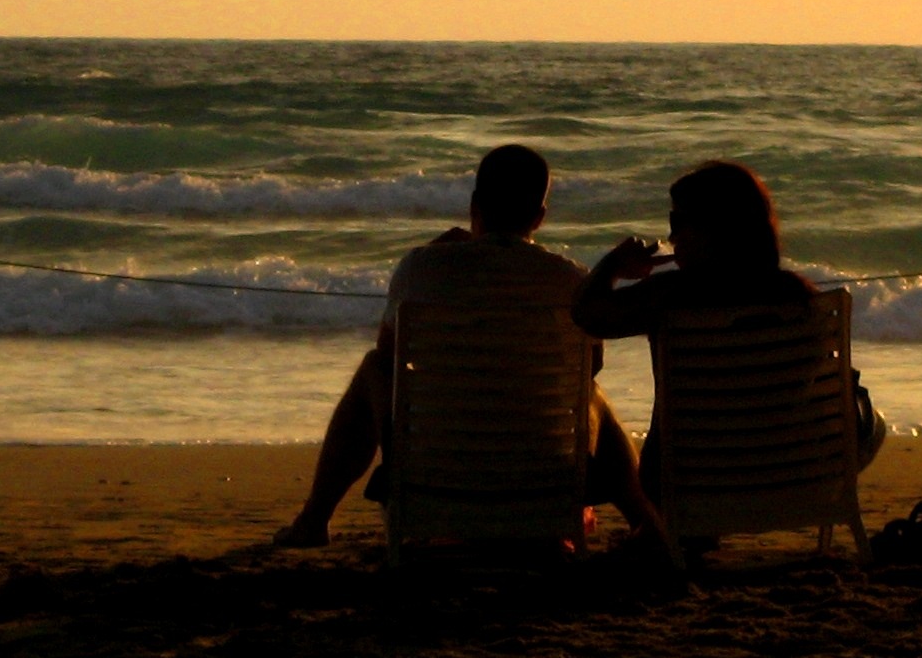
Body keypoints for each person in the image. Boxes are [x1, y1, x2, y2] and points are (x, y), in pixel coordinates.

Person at [271, 143, 658, 549]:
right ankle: (643, 520)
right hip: (542, 477)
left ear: (474, 204)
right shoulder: (570, 280)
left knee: (373, 368)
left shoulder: (420, 268)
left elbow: (391, 357)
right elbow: (590, 366)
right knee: (589, 392)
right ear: (539, 218)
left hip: (437, 472)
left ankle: (314, 519)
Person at [571, 159, 887, 493]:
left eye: (679, 221)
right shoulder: (803, 298)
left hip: (688, 479)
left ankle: (680, 530)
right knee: (871, 420)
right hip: (798, 474)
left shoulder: (670, 297)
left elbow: (587, 314)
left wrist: (612, 266)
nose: (671, 235)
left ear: (714, 227)